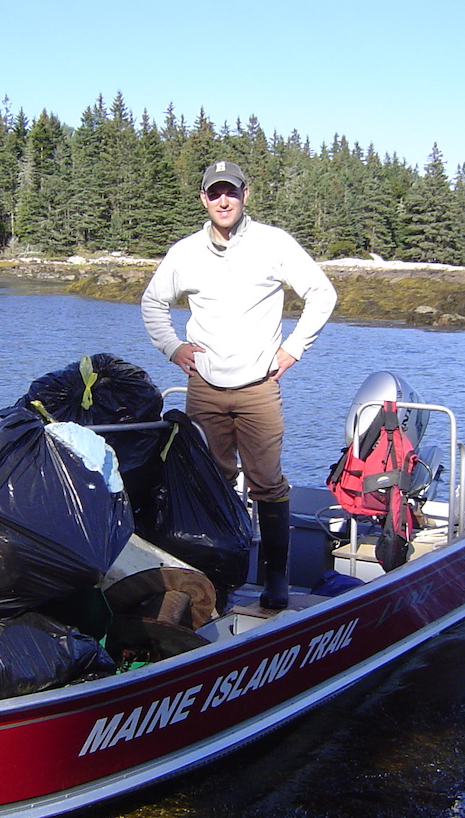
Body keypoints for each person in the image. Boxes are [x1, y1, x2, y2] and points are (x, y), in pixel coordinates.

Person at [141, 160, 337, 609]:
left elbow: (322, 294)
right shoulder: (185, 252)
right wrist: (173, 348)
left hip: (258, 387)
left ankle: (276, 580)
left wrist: (293, 349)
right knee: (210, 482)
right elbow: (153, 302)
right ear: (204, 200)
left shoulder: (274, 243)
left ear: (245, 194)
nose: (223, 200)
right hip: (205, 387)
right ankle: (218, 582)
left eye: (230, 192)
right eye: (214, 193)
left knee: (267, 483)